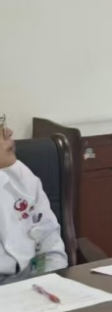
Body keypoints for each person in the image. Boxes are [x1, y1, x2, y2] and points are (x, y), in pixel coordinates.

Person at [0, 115, 69, 283]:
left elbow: (49, 242)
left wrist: (51, 281)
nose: (8, 132)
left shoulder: (20, 175)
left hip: (33, 284)